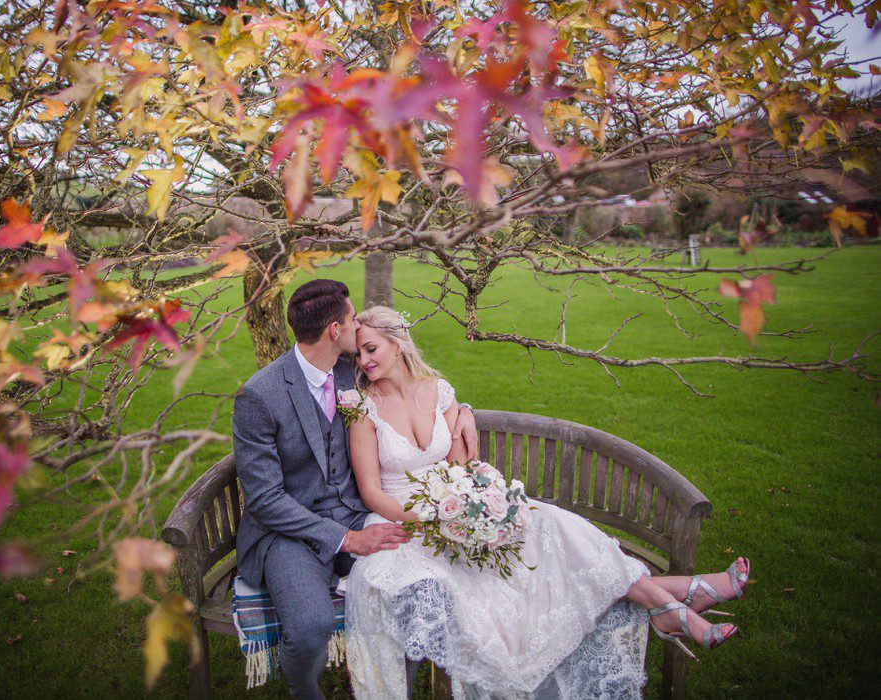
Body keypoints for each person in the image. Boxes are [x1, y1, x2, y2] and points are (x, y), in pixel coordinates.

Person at [344, 305, 751, 699]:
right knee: (504, 587)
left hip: (454, 515)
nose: (363, 360)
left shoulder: (438, 392)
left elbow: (461, 467)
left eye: (371, 348)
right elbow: (372, 492)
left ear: (398, 343)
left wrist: (474, 506)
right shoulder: (364, 408)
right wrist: (429, 519)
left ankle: (665, 601)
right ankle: (676, 597)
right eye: (358, 352)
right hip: (404, 526)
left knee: (551, 522)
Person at [231, 280, 479, 699]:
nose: (358, 326)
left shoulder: (352, 368)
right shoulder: (260, 396)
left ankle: (396, 686)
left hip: (360, 513)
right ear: (334, 330)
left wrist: (466, 411)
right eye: (351, 319)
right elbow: (265, 501)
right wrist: (347, 539)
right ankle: (306, 693)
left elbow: (415, 386)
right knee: (311, 627)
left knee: (415, 591)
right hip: (289, 533)